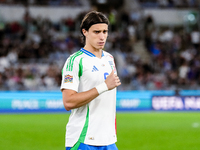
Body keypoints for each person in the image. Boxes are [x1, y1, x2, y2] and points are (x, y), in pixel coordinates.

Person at [60, 11, 121, 150]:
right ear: (85, 32)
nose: (102, 36)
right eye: (96, 31)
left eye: (105, 31)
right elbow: (68, 102)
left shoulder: (110, 59)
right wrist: (104, 86)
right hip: (83, 138)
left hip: (108, 139)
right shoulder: (75, 61)